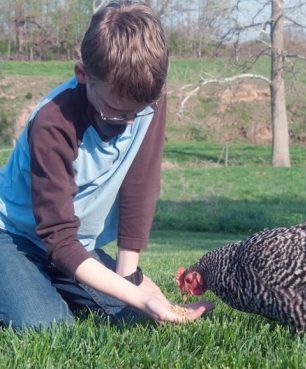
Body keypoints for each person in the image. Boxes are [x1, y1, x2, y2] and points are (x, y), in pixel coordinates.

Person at [0, 1, 213, 330]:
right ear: (82, 75)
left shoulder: (149, 97)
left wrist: (130, 278)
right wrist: (140, 295)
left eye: (138, 110)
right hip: (15, 236)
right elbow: (58, 238)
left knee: (136, 317)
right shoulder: (53, 124)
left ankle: (47, 280)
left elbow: (139, 186)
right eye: (116, 110)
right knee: (48, 325)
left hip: (76, 245)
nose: (129, 122)